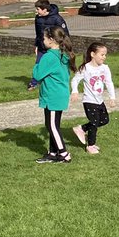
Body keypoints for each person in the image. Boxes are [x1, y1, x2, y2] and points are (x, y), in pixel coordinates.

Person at [33, 25, 75, 162]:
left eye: (44, 38)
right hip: (60, 94)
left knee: (51, 126)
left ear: (51, 40)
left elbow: (37, 75)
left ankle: (63, 153)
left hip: (53, 95)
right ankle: (52, 152)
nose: (43, 41)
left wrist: (37, 61)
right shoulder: (63, 54)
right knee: (53, 124)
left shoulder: (49, 56)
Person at [71, 41, 117, 155]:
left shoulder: (105, 68)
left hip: (99, 100)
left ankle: (81, 128)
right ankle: (90, 146)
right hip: (89, 101)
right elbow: (75, 80)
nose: (104, 57)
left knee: (105, 120)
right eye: (102, 54)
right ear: (93, 54)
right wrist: (75, 91)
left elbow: (109, 83)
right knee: (94, 122)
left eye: (105, 55)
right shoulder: (85, 68)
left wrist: (112, 97)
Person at [29, 0, 69, 89]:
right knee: (39, 64)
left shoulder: (58, 19)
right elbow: (38, 33)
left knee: (55, 65)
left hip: (54, 47)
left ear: (45, 9)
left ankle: (54, 81)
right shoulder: (37, 18)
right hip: (42, 46)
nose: (36, 11)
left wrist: (63, 46)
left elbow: (65, 33)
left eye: (38, 9)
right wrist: (37, 44)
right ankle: (34, 83)